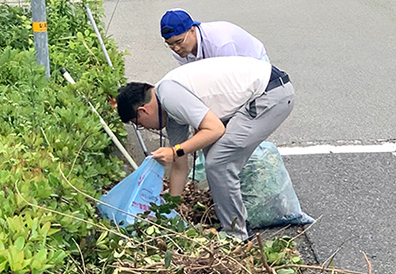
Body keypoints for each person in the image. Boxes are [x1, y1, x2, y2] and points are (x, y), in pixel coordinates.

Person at [116, 56, 294, 240]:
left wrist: (174, 151)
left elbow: (214, 129)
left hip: (271, 93)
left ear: (143, 111)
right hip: (263, 91)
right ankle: (233, 221)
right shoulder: (168, 108)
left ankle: (236, 233)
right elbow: (180, 165)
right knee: (212, 153)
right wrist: (168, 213)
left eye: (138, 123)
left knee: (219, 162)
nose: (145, 128)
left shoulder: (169, 95)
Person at [160, 9, 268, 65]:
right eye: (170, 44)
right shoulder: (178, 50)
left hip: (254, 64)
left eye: (179, 42)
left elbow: (233, 78)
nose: (176, 48)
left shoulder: (220, 43)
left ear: (192, 30)